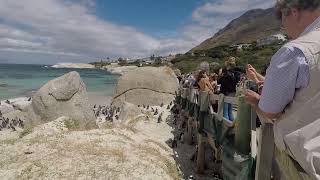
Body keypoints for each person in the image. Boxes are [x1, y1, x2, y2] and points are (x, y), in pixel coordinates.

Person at [245, 0, 320, 178]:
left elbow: (270, 111)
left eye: (282, 21)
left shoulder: (294, 51)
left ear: (293, 11)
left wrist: (256, 100)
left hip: (307, 162)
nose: (283, 28)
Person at [218, 57, 243, 121]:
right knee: (230, 109)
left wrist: (221, 74)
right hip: (233, 91)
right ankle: (231, 123)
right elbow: (236, 81)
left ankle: (226, 126)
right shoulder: (237, 72)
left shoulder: (226, 72)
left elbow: (220, 81)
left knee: (225, 110)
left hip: (226, 91)